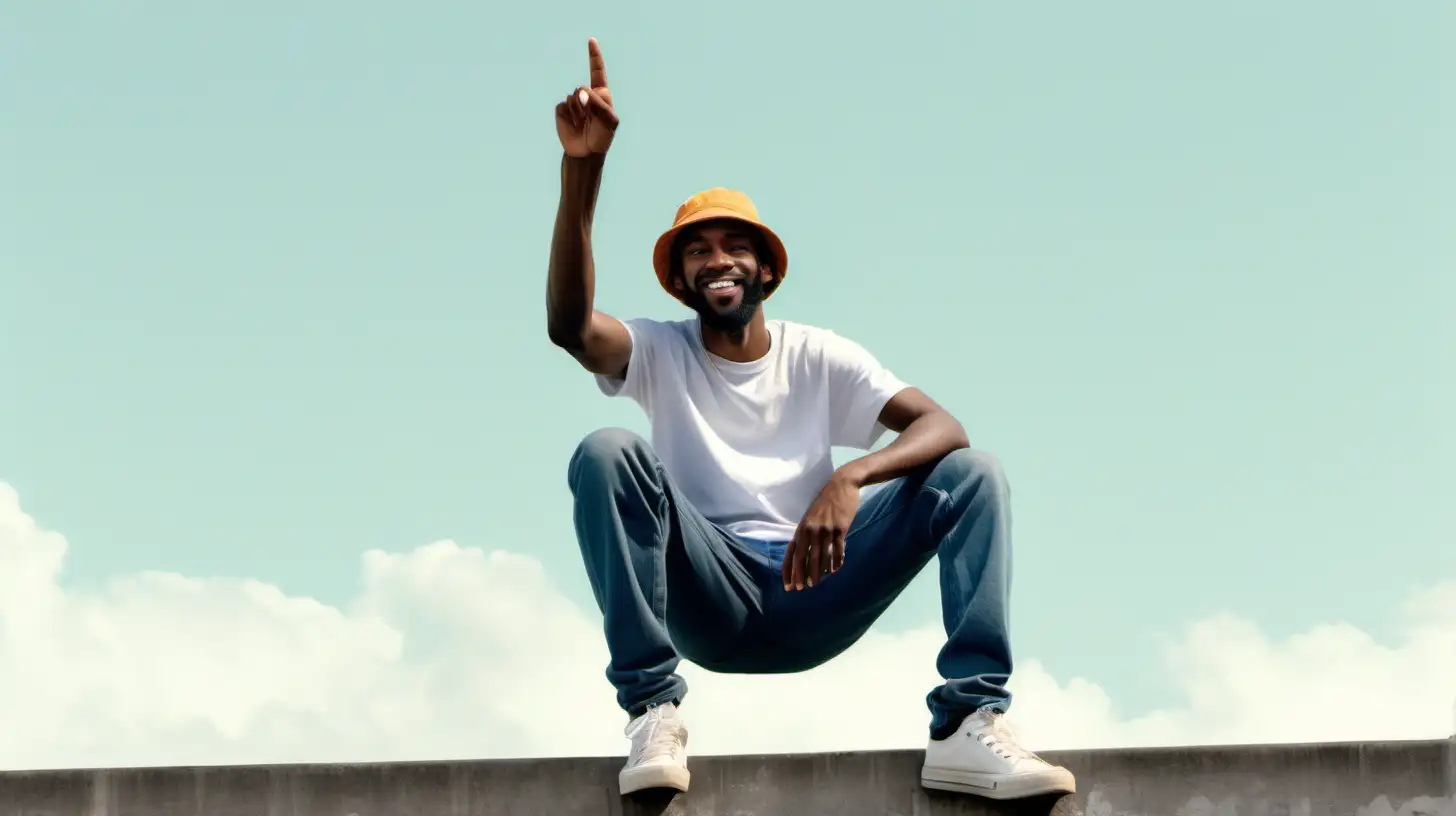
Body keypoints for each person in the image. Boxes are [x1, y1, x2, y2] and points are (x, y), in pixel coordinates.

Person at [545, 37, 1075, 803]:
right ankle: (651, 709)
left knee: (973, 474)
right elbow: (569, 326)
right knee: (606, 451)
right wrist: (582, 170)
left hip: (816, 580)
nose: (716, 259)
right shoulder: (658, 350)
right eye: (697, 251)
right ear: (681, 279)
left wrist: (852, 475)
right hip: (712, 587)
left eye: (734, 246)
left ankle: (968, 721)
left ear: (766, 270)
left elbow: (943, 426)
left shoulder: (819, 355)